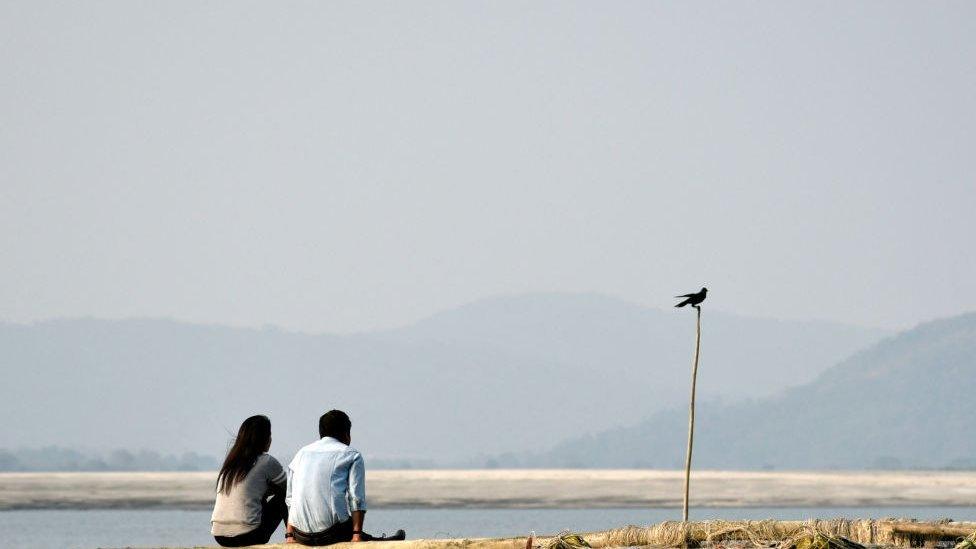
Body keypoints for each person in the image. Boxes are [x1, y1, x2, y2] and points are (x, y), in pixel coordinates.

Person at [286, 410, 405, 545]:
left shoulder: (301, 454)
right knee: (350, 525)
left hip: (301, 536)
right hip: (331, 534)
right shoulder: (351, 454)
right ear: (346, 433)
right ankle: (372, 539)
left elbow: (291, 498)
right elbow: (356, 498)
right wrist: (356, 535)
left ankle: (290, 535)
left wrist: (290, 535)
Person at [211, 415, 288, 547]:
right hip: (249, 535)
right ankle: (292, 537)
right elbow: (290, 489)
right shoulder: (266, 461)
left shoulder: (231, 464)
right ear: (265, 439)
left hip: (219, 535)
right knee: (285, 495)